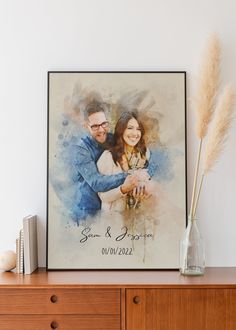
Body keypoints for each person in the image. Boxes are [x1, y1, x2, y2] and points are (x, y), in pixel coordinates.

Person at [73, 103, 149, 223]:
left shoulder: (113, 139)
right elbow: (96, 182)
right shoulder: (81, 149)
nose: (102, 129)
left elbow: (145, 160)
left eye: (104, 124)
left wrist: (143, 181)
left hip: (118, 210)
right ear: (86, 126)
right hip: (88, 210)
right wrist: (132, 176)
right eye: (95, 126)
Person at [97, 111, 154, 212]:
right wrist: (123, 189)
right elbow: (103, 196)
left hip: (137, 215)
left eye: (138, 129)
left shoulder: (144, 153)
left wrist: (144, 191)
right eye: (130, 128)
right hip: (115, 218)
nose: (135, 133)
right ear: (121, 130)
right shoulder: (108, 157)